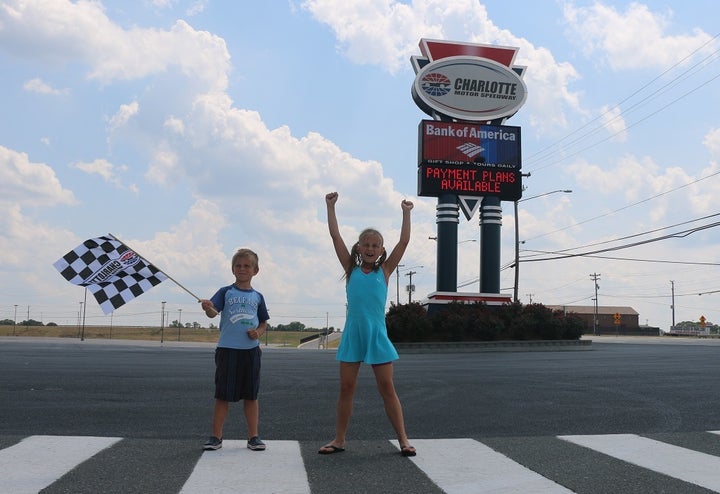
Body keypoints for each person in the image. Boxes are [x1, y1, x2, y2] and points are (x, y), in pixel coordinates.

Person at [318, 191, 417, 457]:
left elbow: (404, 241)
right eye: (366, 245)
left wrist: (406, 212)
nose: (371, 249)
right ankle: (339, 440)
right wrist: (330, 207)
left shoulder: (384, 271)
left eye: (376, 245)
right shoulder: (350, 270)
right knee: (346, 388)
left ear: (381, 250)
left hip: (376, 335)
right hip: (353, 335)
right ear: (359, 248)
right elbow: (335, 237)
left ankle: (404, 440)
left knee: (387, 388)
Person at [200, 248, 269, 452]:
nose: (242, 269)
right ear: (232, 269)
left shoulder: (258, 296)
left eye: (247, 266)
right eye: (238, 266)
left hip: (250, 352)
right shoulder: (225, 292)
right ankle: (216, 436)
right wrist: (207, 308)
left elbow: (264, 323)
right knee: (223, 395)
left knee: (251, 395)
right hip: (227, 350)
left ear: (255, 270)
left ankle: (253, 436)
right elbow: (213, 313)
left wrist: (258, 332)